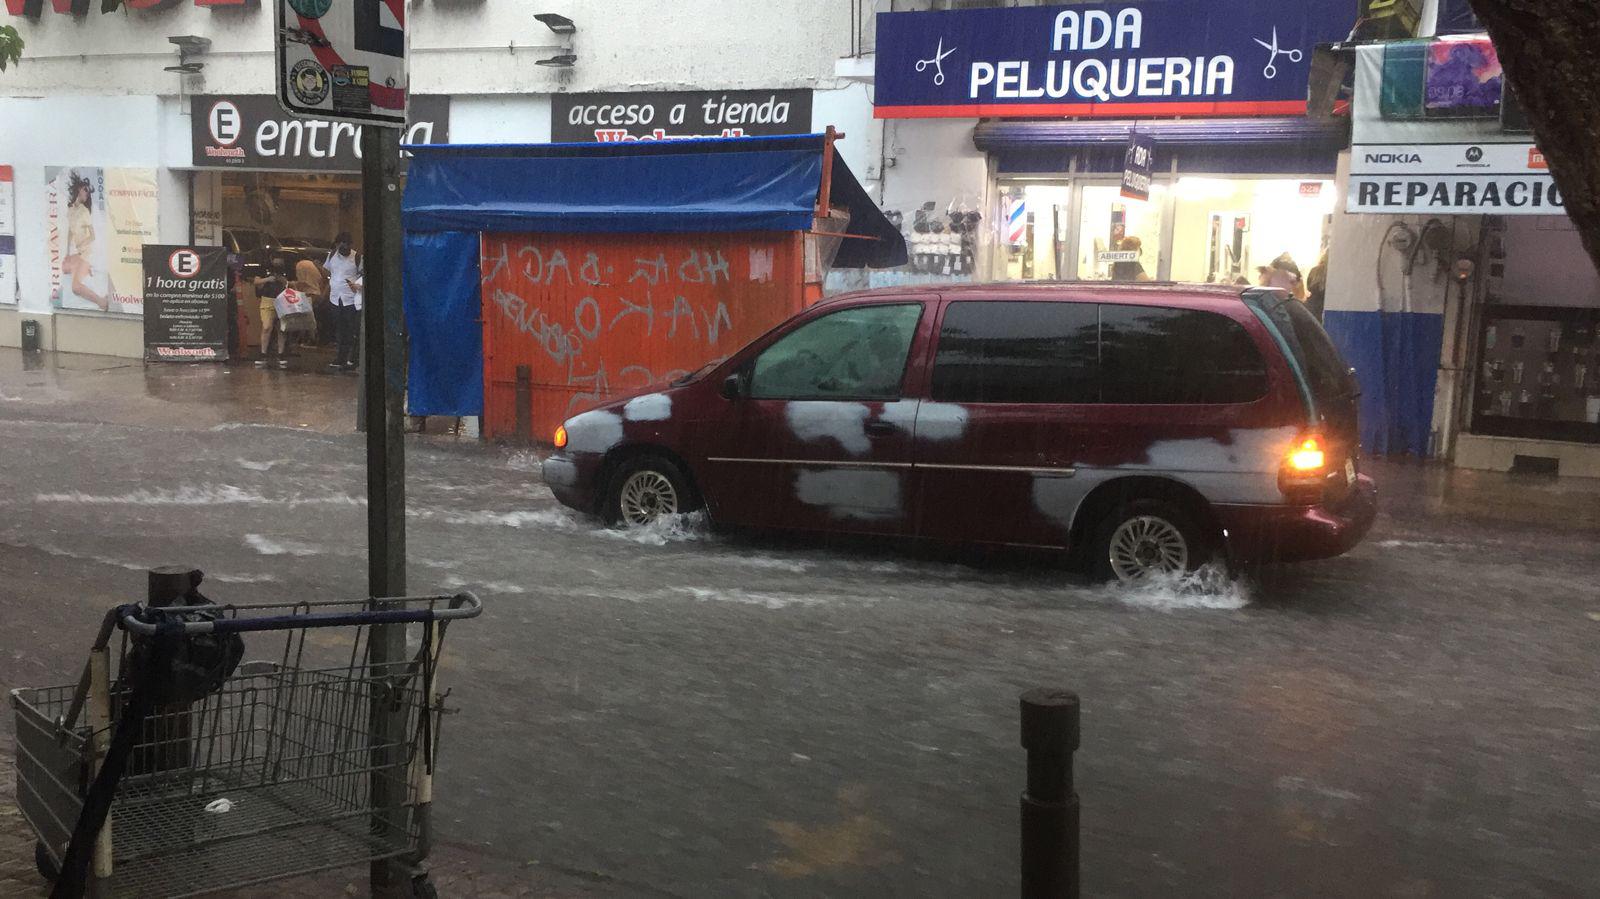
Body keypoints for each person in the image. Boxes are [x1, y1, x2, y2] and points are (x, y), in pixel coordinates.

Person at [62, 173, 108, 311]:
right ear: (79, 189)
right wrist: (67, 252)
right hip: (78, 251)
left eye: (88, 192)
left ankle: (101, 302)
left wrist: (82, 245)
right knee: (65, 268)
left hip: (87, 251)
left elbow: (92, 236)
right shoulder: (70, 210)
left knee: (75, 287)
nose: (87, 194)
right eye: (85, 191)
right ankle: (87, 270)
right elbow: (70, 231)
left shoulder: (84, 212)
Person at [325, 233, 362, 371]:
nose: (345, 246)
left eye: (347, 243)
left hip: (351, 300)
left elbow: (363, 275)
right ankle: (340, 357)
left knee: (352, 330)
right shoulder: (332, 255)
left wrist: (357, 286)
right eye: (342, 243)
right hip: (335, 299)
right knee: (340, 330)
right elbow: (328, 272)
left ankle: (353, 358)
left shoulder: (356, 257)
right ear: (337, 244)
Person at [251, 257, 292, 368]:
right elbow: (256, 281)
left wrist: (284, 281)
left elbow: (293, 284)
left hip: (282, 300)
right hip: (267, 300)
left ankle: (281, 354)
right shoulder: (264, 270)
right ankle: (263, 353)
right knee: (266, 326)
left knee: (281, 328)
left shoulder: (287, 271)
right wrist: (268, 279)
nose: (278, 262)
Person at [294, 253, 327, 345]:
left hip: (307, 293)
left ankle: (309, 338)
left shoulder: (300, 265)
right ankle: (309, 337)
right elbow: (322, 281)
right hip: (316, 293)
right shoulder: (313, 265)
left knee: (306, 316)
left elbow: (302, 282)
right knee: (309, 315)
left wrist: (294, 286)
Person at [1304, 251, 1328, 322]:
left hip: (1311, 303)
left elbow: (1308, 286)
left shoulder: (1314, 270)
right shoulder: (1332, 271)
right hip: (1324, 303)